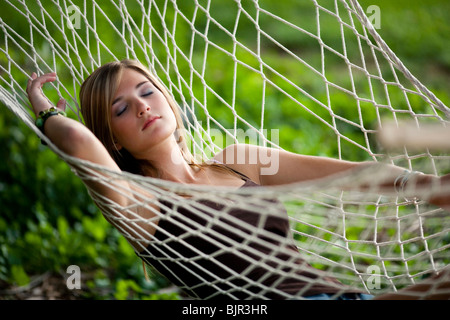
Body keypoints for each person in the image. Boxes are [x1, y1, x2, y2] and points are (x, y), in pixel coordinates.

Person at [26, 59, 450, 300]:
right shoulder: (140, 202)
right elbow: (80, 142)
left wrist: (429, 188)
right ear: (113, 139)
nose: (140, 107)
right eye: (120, 109)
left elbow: (357, 175)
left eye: (146, 91)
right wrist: (46, 112)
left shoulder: (236, 161)